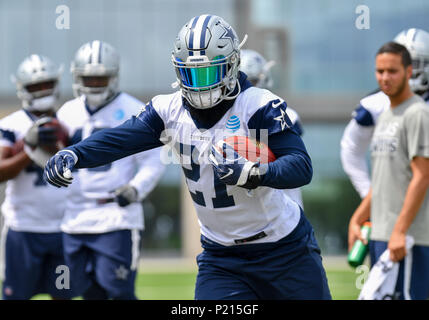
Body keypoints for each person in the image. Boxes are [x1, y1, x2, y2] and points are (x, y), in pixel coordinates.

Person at [44, 15, 331, 300]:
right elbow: (119, 139)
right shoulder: (167, 109)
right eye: (190, 74)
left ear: (231, 66)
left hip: (283, 249)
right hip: (222, 257)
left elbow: (300, 166)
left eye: (208, 73)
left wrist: (254, 173)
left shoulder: (257, 105)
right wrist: (74, 153)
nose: (199, 84)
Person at [54, 40, 165, 300]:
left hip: (116, 214)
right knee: (86, 293)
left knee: (118, 292)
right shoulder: (67, 112)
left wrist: (136, 189)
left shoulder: (133, 109)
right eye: (88, 78)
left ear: (114, 76)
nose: (94, 84)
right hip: (75, 216)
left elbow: (154, 159)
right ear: (77, 76)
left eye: (100, 78)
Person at [348, 42, 429, 300]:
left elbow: (422, 175)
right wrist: (358, 218)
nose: (385, 77)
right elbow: (384, 181)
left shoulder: (417, 114)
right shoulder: (385, 116)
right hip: (382, 237)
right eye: (380, 71)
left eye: (392, 71)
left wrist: (400, 231)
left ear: (408, 72)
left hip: (408, 241)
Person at [0, 54, 74, 300]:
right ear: (23, 89)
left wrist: (60, 145)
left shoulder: (71, 121)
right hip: (23, 229)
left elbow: (85, 169)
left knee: (64, 296)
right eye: (35, 86)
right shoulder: (11, 125)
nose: (42, 90)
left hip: (63, 228)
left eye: (47, 84)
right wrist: (30, 150)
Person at [340, 28, 429, 199]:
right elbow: (351, 149)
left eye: (414, 65)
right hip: (391, 199)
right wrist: (367, 193)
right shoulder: (374, 105)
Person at [241, 48, 304, 208]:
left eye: (252, 81)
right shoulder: (229, 117)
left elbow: (291, 162)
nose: (247, 87)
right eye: (241, 80)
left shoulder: (283, 114)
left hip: (284, 206)